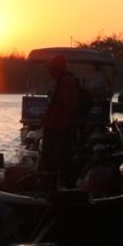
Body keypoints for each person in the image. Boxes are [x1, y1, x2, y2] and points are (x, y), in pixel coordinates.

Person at [39, 54, 80, 187]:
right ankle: (49, 185)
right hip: (54, 128)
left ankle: (59, 186)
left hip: (59, 130)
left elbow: (69, 108)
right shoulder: (61, 81)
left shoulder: (67, 82)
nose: (49, 72)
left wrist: (63, 128)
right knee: (50, 161)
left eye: (51, 68)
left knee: (58, 160)